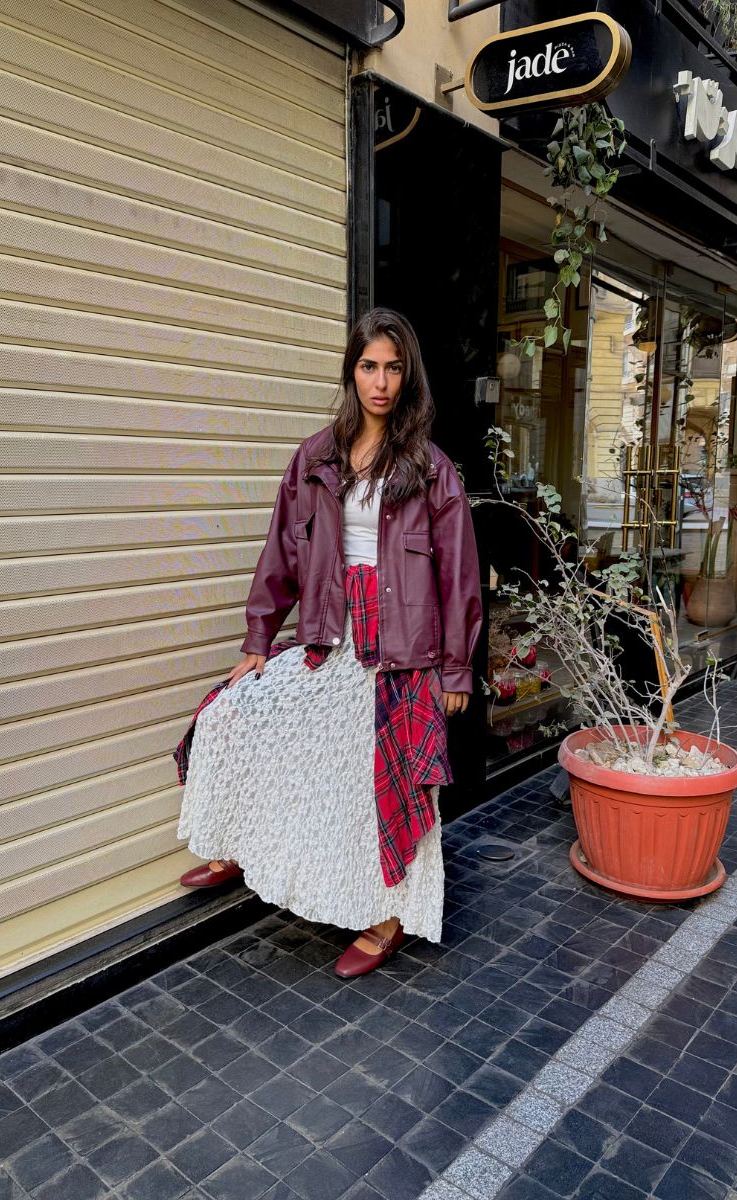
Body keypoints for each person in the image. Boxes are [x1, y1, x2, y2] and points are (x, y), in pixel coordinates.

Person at [176, 308, 482, 977]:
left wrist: (455, 672)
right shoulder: (315, 456)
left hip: (401, 646)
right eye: (369, 366)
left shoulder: (431, 470)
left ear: (408, 376)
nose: (380, 381)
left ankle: (387, 915)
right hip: (329, 632)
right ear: (351, 371)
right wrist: (259, 636)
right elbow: (283, 549)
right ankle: (238, 841)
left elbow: (459, 577)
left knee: (381, 778)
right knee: (235, 712)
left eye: (393, 368)